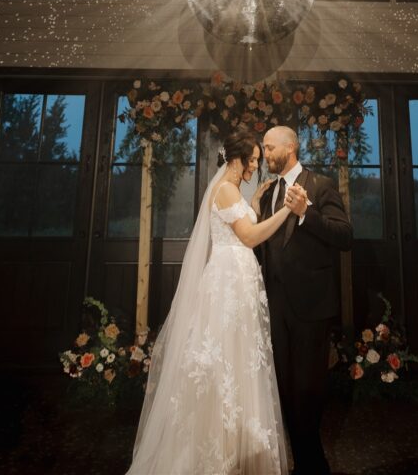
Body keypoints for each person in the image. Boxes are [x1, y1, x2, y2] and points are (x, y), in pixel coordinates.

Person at [126, 129, 294, 475]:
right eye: (252, 160)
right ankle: (219, 453)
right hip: (228, 283)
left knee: (241, 358)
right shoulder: (225, 190)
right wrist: (285, 213)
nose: (255, 167)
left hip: (239, 280)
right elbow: (248, 236)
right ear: (237, 158)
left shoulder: (234, 191)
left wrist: (258, 202)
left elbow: (243, 223)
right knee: (224, 361)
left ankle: (238, 447)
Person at [259, 126, 353, 475]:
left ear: (291, 146)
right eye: (264, 149)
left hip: (312, 307)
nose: (266, 154)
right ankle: (300, 460)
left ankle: (313, 464)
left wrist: (305, 213)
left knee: (308, 388)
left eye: (270, 148)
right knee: (283, 387)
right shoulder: (268, 192)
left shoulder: (321, 185)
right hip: (276, 304)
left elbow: (345, 236)